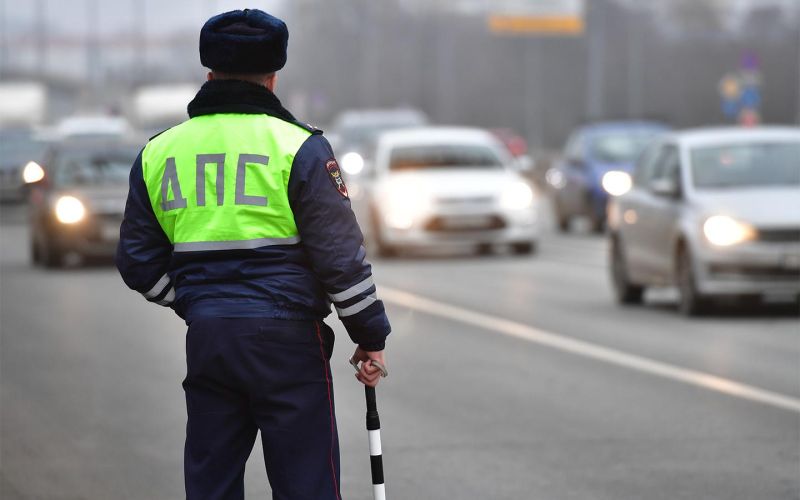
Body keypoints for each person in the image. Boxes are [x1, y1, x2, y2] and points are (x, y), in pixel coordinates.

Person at [115, 9, 391, 500]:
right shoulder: (300, 148)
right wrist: (369, 333)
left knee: (211, 482)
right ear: (273, 76)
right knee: (305, 482)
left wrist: (196, 302)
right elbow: (340, 260)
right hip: (288, 341)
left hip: (210, 337)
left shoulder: (160, 152)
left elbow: (138, 262)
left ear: (209, 73)